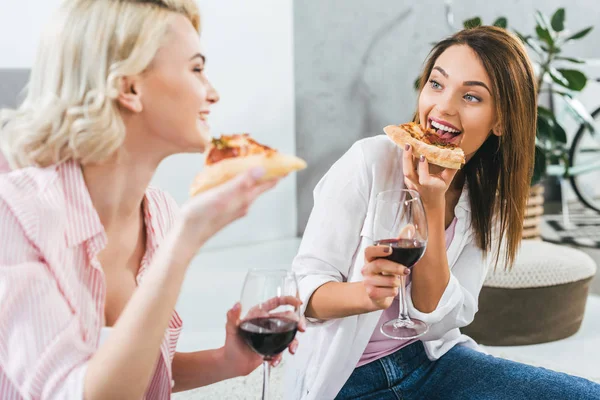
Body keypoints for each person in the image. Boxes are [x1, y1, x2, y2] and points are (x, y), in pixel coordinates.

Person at [0, 1, 303, 399]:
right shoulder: (15, 214)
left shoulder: (159, 212)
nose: (212, 92)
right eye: (196, 68)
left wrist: (226, 360)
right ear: (129, 88)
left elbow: (129, 371)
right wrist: (184, 244)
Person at [285, 26, 600, 399]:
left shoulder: (489, 199)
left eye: (471, 96)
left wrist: (431, 208)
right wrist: (366, 294)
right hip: (346, 379)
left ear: (500, 121)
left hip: (433, 363)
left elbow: (440, 314)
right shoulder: (369, 161)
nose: (444, 108)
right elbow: (302, 289)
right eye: (436, 84)